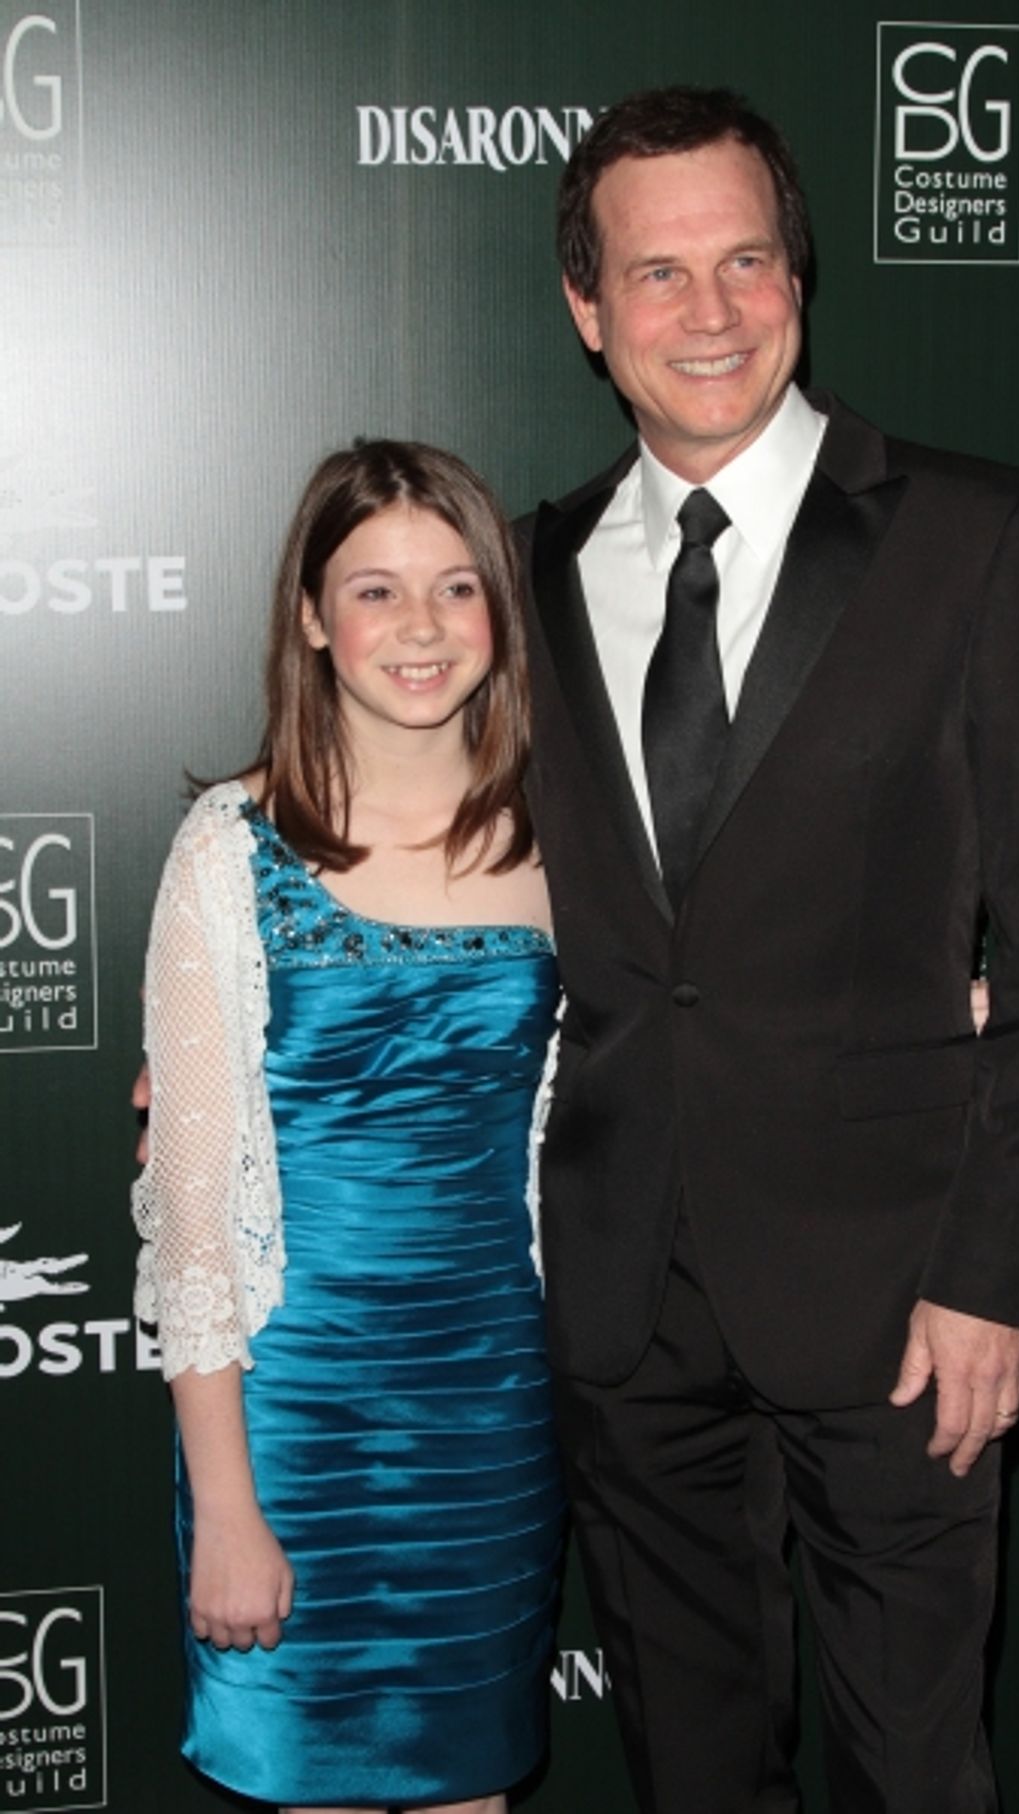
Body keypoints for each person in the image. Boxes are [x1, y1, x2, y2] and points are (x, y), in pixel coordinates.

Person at [519, 86, 1019, 1813]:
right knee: (689, 1767)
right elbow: (400, 813)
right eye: (658, 275)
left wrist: (1001, 1269)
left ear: (801, 274)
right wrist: (241, 1003)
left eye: (747, 261)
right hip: (629, 1296)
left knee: (909, 1769)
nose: (709, 314)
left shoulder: (974, 535)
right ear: (589, 310)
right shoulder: (531, 566)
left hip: (902, 1298)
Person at [131, 440, 563, 1814]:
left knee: (464, 1792)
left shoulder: (572, 839)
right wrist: (230, 1509)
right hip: (292, 1412)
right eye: (375, 591)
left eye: (455, 587)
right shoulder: (230, 843)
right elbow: (192, 1213)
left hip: (495, 1412)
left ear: (500, 608)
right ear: (312, 618)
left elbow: (723, 1023)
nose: (422, 627)